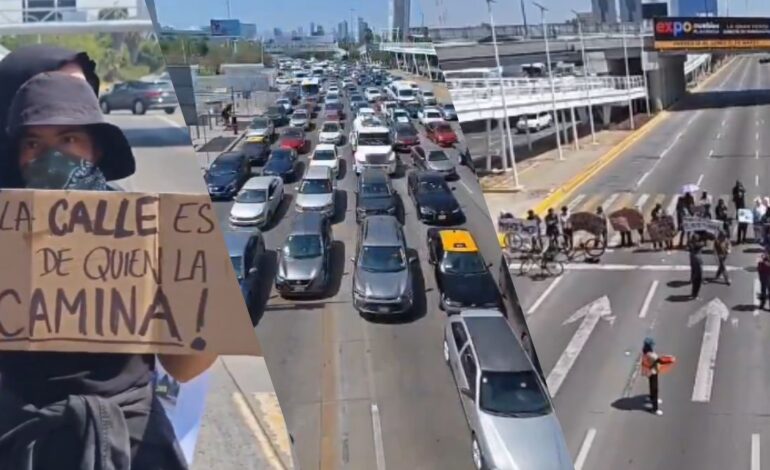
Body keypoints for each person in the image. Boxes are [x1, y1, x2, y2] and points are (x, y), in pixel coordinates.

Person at [0, 49, 217, 469]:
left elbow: (186, 367)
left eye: (68, 139)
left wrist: (203, 305)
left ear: (95, 148)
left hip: (132, 445)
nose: (51, 156)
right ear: (17, 155)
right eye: (34, 142)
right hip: (24, 444)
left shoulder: (150, 228)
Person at [641, 337, 663, 416]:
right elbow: (659, 360)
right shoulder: (650, 354)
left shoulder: (645, 351)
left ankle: (651, 397)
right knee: (655, 388)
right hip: (652, 372)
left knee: (651, 385)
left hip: (648, 371)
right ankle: (655, 408)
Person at [689, 234, 704, 299]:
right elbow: (702, 244)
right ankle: (695, 294)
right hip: (697, 266)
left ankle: (693, 293)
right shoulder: (697, 256)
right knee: (697, 282)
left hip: (694, 265)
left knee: (694, 279)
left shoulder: (691, 246)